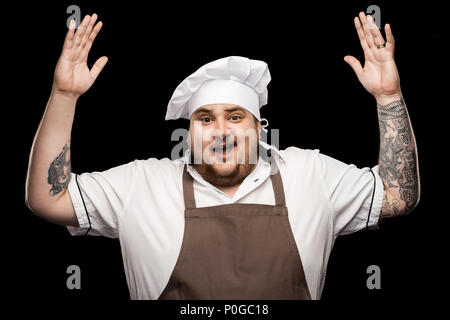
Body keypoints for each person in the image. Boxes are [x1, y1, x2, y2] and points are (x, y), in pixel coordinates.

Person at [25, 12, 420, 300]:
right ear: (189, 133)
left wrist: (387, 97)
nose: (221, 131)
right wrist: (64, 96)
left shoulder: (309, 173)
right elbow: (49, 199)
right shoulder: (141, 183)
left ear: (259, 129)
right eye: (205, 119)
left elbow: (398, 196)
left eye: (235, 116)